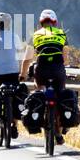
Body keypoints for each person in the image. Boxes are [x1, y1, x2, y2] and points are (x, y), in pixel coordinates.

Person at [28, 9, 68, 143]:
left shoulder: (35, 35)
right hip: (58, 71)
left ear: (41, 23)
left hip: (41, 72)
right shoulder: (62, 33)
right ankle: (62, 125)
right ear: (55, 22)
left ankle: (40, 114)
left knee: (38, 88)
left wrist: (23, 75)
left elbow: (27, 58)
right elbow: (65, 58)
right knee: (61, 92)